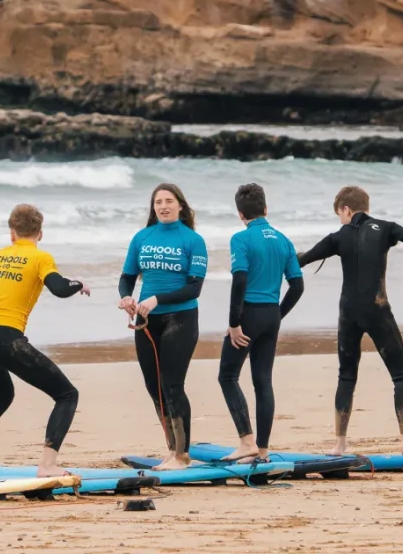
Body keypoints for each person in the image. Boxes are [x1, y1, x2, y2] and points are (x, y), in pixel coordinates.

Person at [0, 204, 90, 479]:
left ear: (11, 233)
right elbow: (59, 289)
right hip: (6, 339)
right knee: (67, 395)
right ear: (40, 233)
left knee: (2, 395)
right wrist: (78, 284)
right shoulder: (40, 258)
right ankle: (47, 465)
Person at [298, 185, 403, 456]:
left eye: (339, 214)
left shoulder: (337, 236)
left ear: (347, 210)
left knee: (346, 376)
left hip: (348, 313)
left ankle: (339, 445)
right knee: (401, 375)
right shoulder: (386, 228)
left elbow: (301, 260)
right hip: (378, 309)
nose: (340, 220)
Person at [118, 183, 208, 471]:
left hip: (180, 318)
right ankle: (171, 450)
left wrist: (157, 298)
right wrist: (126, 297)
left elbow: (194, 289)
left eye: (169, 201)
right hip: (147, 320)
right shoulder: (142, 237)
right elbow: (127, 276)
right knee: (153, 386)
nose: (163, 206)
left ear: (181, 206)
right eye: (158, 202)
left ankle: (183, 455)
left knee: (172, 384)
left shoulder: (193, 240)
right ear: (153, 207)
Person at [218, 183, 304, 463]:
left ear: (240, 214)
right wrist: (279, 313)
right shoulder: (283, 240)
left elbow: (240, 279)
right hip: (271, 316)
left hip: (249, 316)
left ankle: (247, 443)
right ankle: (263, 450)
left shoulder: (240, 239)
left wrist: (234, 322)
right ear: (266, 209)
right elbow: (297, 286)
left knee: (228, 376)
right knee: (262, 381)